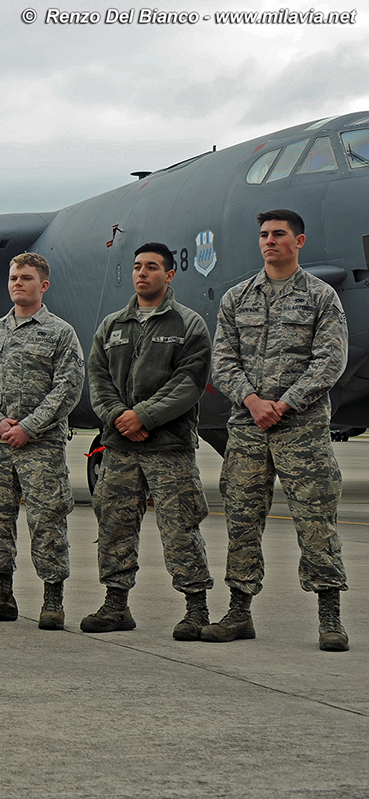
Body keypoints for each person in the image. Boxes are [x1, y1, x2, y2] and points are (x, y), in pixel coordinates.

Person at [206, 210, 349, 651]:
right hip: (248, 430)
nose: (270, 242)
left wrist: (285, 404)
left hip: (302, 430)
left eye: (279, 235)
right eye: (264, 235)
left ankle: (329, 617)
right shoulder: (237, 298)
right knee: (243, 520)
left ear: (299, 240)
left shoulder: (321, 297)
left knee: (316, 521)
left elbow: (330, 359)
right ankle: (239, 611)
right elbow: (223, 360)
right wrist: (252, 401)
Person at [79, 243, 213, 638]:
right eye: (137, 267)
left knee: (180, 528)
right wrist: (120, 418)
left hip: (168, 448)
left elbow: (190, 382)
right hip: (120, 449)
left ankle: (196, 608)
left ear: (169, 275)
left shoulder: (187, 325)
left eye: (152, 267)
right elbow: (97, 379)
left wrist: (144, 416)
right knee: (114, 525)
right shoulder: (112, 326)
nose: (142, 273)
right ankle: (116, 604)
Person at [0, 253, 83, 630]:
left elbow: (68, 387)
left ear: (43, 285)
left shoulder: (60, 333)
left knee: (47, 520)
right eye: (14, 277)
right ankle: (2, 595)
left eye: (26, 278)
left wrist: (29, 427)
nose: (18, 283)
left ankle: (53, 599)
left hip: (41, 447)